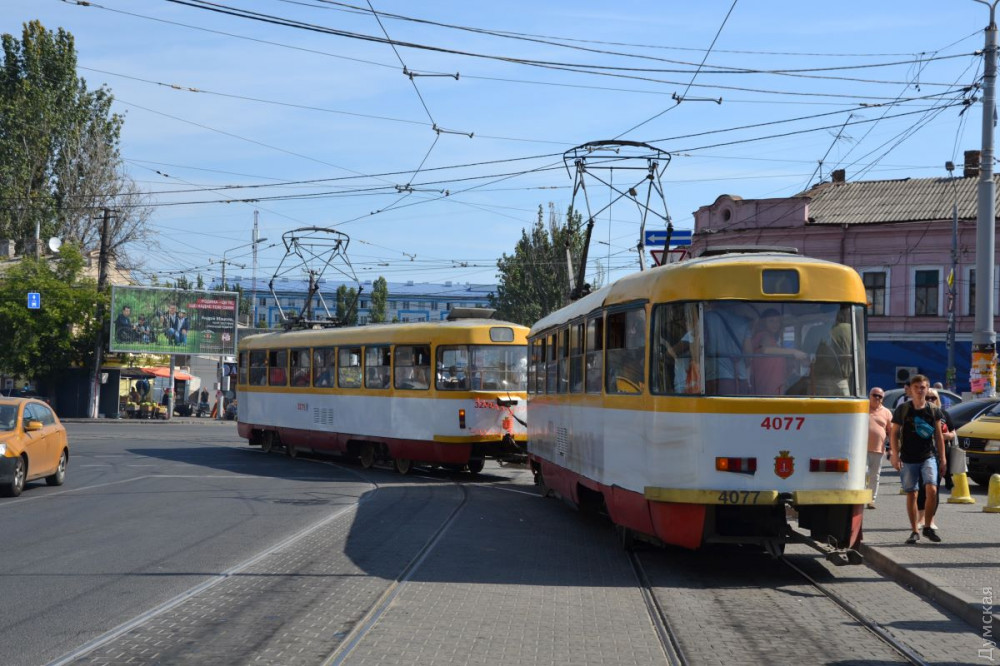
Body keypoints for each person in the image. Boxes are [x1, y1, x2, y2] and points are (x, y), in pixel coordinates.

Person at [890, 374, 947, 544]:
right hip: (908, 457)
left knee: (932, 489)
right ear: (910, 390)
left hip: (928, 456)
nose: (920, 390)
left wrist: (943, 458)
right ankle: (915, 530)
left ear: (927, 388)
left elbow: (939, 436)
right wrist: (895, 455)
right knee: (912, 493)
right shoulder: (903, 409)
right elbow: (894, 433)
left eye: (923, 387)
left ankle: (928, 527)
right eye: (916, 387)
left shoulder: (933, 410)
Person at [915, 387, 955, 529]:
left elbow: (953, 433)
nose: (931, 400)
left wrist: (946, 436)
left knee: (934, 488)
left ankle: (931, 520)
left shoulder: (944, 414)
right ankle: (920, 518)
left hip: (938, 455)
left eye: (933, 398)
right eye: (928, 397)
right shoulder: (919, 413)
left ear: (938, 400)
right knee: (922, 487)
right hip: (921, 455)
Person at [747, 308, 808, 395]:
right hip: (768, 384)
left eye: (777, 321)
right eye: (771, 321)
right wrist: (794, 352)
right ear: (764, 323)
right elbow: (766, 350)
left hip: (769, 383)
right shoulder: (764, 335)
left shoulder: (770, 339)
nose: (775, 324)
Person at [704, 305, 751, 394]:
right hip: (741, 378)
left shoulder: (706, 317)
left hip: (716, 376)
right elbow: (748, 356)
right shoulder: (743, 322)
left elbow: (700, 343)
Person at [866, 387, 892, 509]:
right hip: (862, 449)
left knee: (874, 476)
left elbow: (891, 431)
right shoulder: (863, 409)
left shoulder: (886, 412)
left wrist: (891, 448)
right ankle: (861, 497)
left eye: (880, 396)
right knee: (863, 474)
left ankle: (871, 500)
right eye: (874, 395)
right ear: (869, 396)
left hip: (878, 449)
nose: (877, 398)